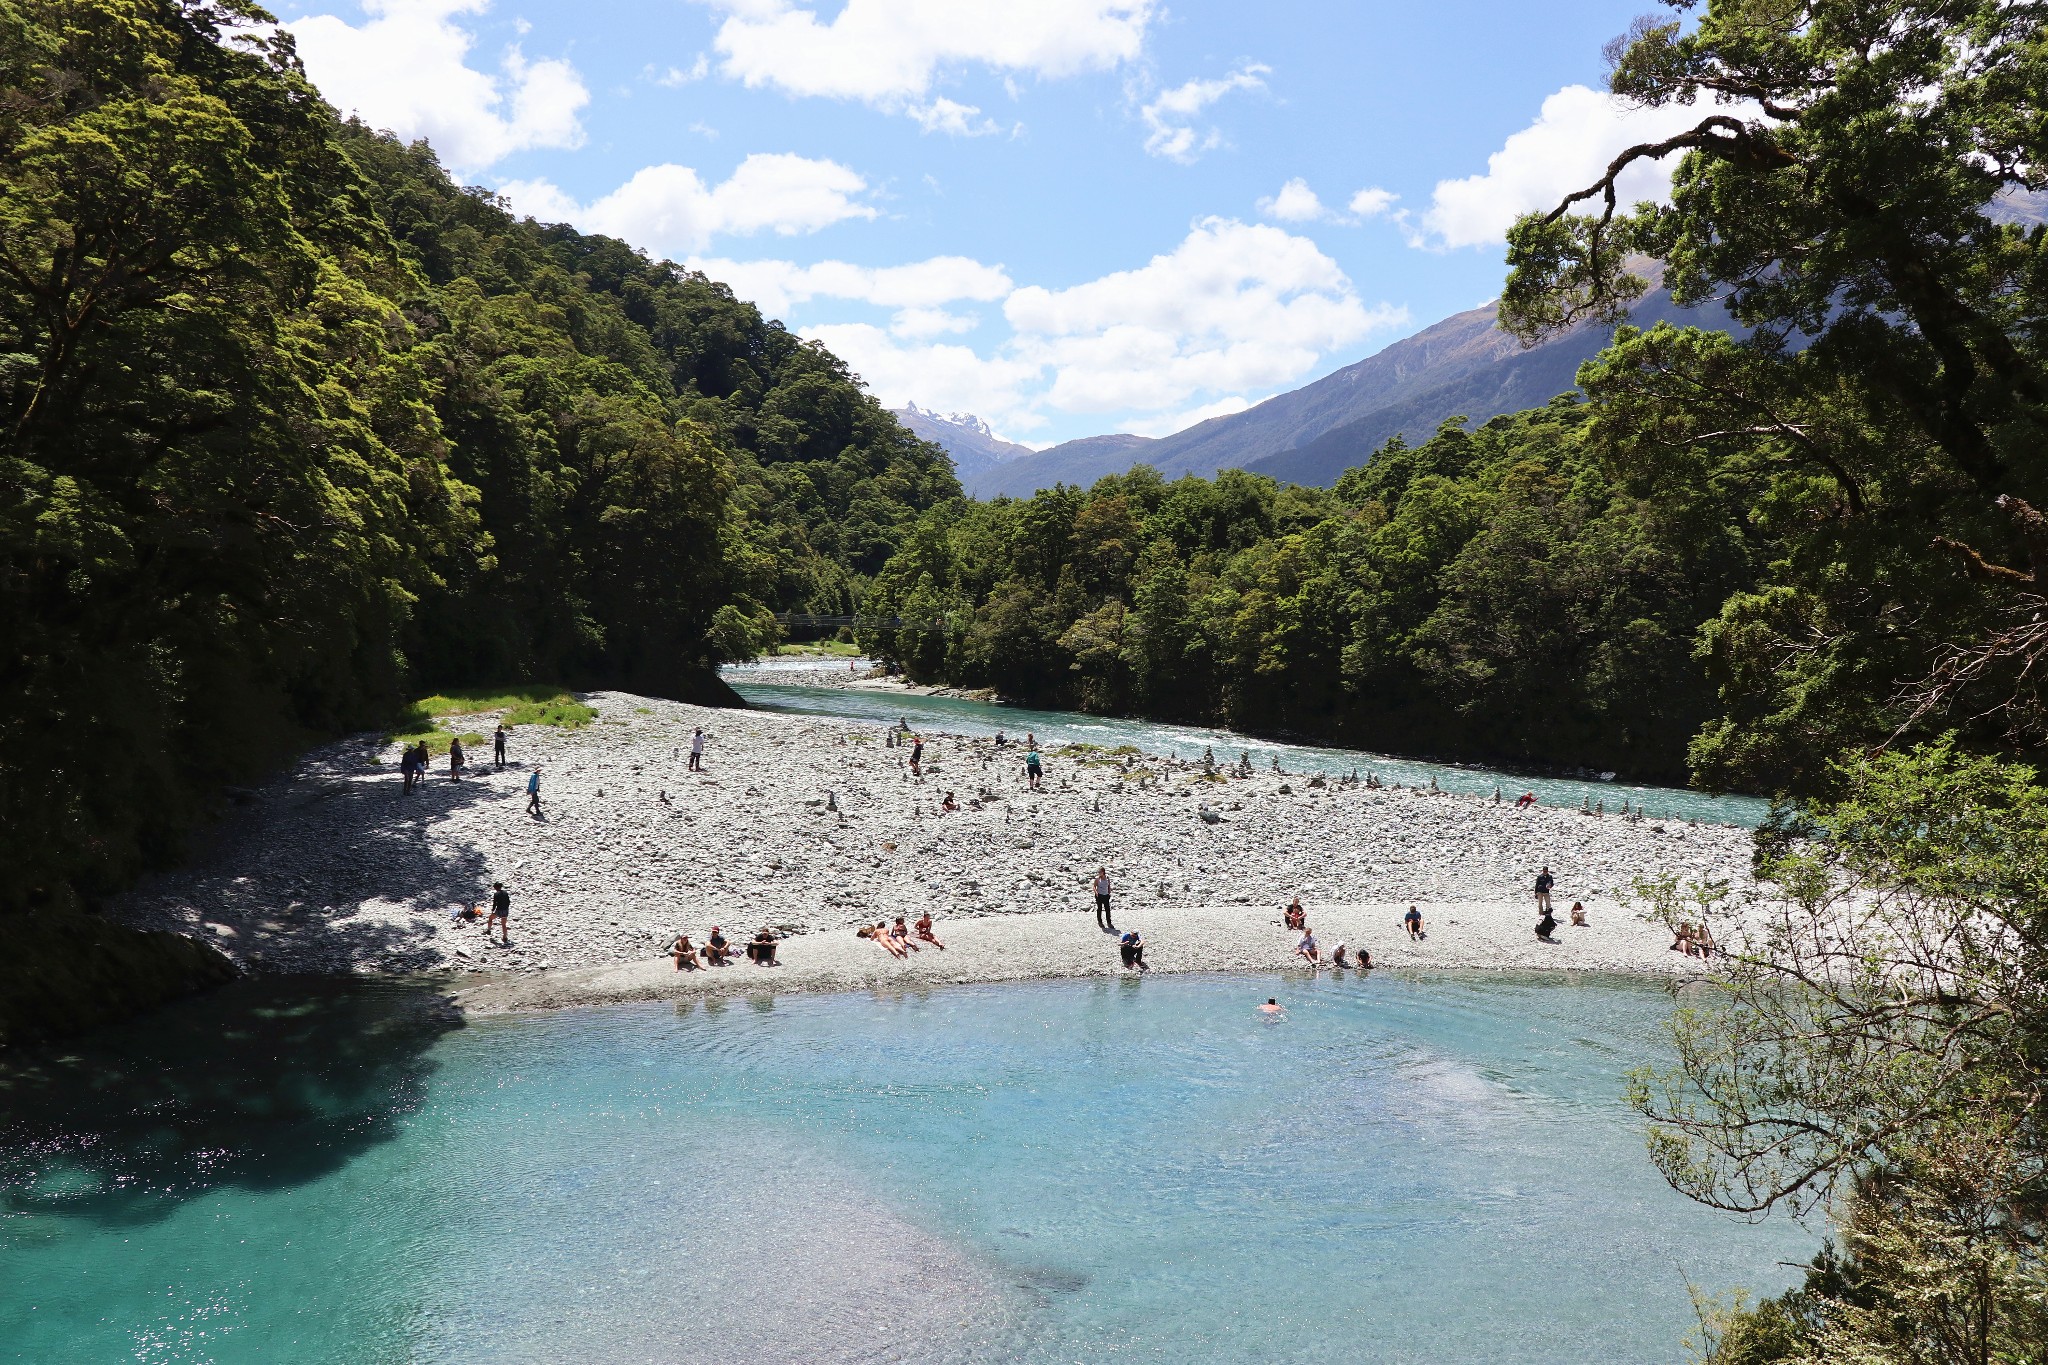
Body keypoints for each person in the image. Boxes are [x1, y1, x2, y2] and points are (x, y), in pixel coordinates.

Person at [1092, 867, 1114, 931]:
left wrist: (1109, 890)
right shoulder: (1097, 879)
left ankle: (1109, 922)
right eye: (1098, 872)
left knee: (1107, 909)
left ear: (1103, 872)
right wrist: (1096, 892)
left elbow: (1108, 885)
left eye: (1100, 872)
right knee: (1100, 908)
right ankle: (1100, 921)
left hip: (1106, 895)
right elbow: (1094, 886)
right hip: (1099, 895)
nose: (1099, 873)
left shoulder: (1107, 877)